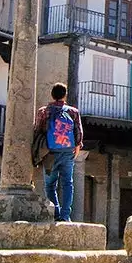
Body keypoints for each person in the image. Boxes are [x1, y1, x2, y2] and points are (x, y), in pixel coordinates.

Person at [35, 83, 85, 222]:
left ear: (52, 94)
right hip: (68, 151)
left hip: (49, 152)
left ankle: (55, 212)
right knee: (67, 183)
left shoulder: (44, 111)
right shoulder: (73, 112)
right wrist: (77, 147)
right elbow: (79, 131)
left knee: (50, 185)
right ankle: (65, 215)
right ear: (65, 95)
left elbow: (37, 130)